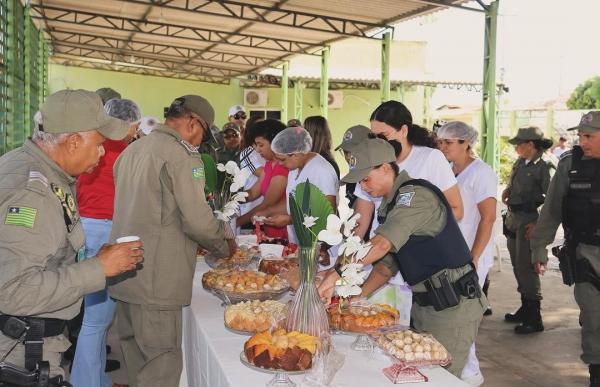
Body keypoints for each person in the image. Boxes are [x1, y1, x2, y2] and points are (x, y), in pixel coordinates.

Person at [0, 89, 143, 379]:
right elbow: (13, 291)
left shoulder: (40, 169)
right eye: (100, 144)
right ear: (74, 141)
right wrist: (97, 269)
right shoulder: (33, 192)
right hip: (20, 352)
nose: (103, 154)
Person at [318, 138, 486, 377]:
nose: (363, 188)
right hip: (427, 304)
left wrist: (336, 274)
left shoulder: (414, 197)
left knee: (442, 378)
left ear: (385, 168)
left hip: (453, 304)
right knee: (420, 375)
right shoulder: (393, 204)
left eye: (366, 179)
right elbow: (386, 267)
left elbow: (382, 243)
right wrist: (359, 295)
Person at [108, 95, 231, 387]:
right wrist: (224, 246)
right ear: (192, 122)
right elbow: (197, 219)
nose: (201, 142)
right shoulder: (182, 156)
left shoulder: (132, 150)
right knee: (160, 369)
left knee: (137, 364)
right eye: (203, 133)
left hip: (126, 275)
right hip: (157, 279)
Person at [354, 101, 464, 299]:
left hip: (417, 264)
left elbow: (455, 210)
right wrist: (346, 255)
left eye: (384, 136)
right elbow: (361, 220)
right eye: (374, 136)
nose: (378, 141)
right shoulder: (371, 161)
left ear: (403, 130)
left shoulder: (430, 158)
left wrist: (405, 229)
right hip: (378, 265)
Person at [70, 99, 142, 387]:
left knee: (94, 320)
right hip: (107, 231)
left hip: (86, 227)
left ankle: (96, 379)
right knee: (96, 321)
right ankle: (85, 382)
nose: (134, 133)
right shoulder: (124, 152)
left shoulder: (95, 145)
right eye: (134, 128)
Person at [530, 111, 600, 387]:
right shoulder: (569, 165)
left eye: (590, 136)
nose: (583, 141)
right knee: (593, 318)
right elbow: (550, 212)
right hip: (586, 255)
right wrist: (539, 249)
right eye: (581, 136)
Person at [436, 121, 498, 386]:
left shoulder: (481, 173)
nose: (442, 147)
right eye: (440, 142)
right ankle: (459, 368)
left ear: (466, 143)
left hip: (472, 254)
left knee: (462, 316)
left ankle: (470, 373)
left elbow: (488, 218)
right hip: (450, 253)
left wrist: (473, 257)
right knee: (449, 315)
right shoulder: (448, 172)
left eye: (448, 142)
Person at [502, 126, 556, 334]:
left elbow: (552, 200)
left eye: (519, 144)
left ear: (531, 145)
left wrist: (539, 224)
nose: (516, 148)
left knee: (527, 268)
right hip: (514, 220)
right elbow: (516, 183)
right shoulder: (521, 162)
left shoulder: (545, 166)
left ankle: (535, 317)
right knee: (517, 266)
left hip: (530, 223)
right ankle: (525, 308)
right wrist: (508, 190)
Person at [263, 127, 338, 246]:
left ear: (296, 154)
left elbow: (328, 215)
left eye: (282, 160)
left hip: (320, 245)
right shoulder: (295, 168)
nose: (280, 164)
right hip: (301, 243)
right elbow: (293, 201)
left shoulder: (321, 170)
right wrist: (267, 212)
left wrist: (290, 219)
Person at [236, 119, 288, 238]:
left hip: (282, 231)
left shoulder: (282, 168)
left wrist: (236, 222)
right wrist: (233, 199)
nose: (258, 150)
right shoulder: (269, 164)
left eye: (261, 145)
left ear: (275, 143)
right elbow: (254, 192)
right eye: (256, 145)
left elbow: (266, 205)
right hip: (269, 229)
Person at [334, 125, 371, 208]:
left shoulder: (375, 178)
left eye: (351, 151)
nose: (348, 157)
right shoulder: (351, 179)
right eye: (345, 152)